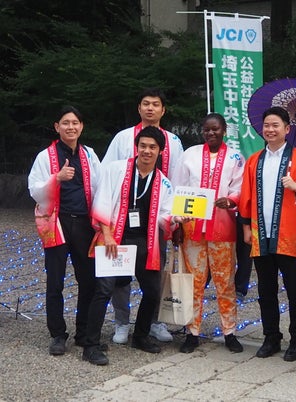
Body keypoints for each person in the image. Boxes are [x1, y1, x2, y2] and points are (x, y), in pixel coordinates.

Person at [82, 126, 182, 365]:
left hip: (144, 241)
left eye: (152, 147)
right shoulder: (116, 170)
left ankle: (140, 335)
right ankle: (90, 345)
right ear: (136, 147)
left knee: (152, 291)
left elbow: (165, 215)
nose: (147, 151)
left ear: (160, 151)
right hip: (115, 238)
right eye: (143, 146)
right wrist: (107, 234)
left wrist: (175, 219)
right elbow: (102, 199)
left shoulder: (164, 183)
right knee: (104, 290)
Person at [101, 88, 184, 344]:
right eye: (145, 104)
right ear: (139, 108)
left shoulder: (173, 141)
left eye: (155, 104)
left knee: (154, 274)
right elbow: (105, 173)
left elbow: (178, 179)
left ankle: (154, 322)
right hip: (122, 221)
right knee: (119, 275)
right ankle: (121, 321)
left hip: (157, 219)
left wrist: (175, 219)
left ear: (163, 110)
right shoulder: (123, 138)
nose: (150, 108)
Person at [239, 106, 296, 362]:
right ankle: (271, 337)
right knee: (266, 289)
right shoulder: (254, 160)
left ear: (287, 129)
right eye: (267, 126)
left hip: (290, 234)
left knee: (294, 289)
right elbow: (246, 196)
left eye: (275, 125)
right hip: (260, 234)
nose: (270, 130)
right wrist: (246, 227)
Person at [28, 106, 101, 355]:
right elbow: (34, 190)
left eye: (75, 122)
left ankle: (83, 332)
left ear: (82, 126)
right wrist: (56, 178)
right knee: (55, 281)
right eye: (66, 123)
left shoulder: (90, 155)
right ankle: (58, 334)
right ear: (57, 127)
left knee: (88, 280)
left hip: (84, 223)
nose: (71, 127)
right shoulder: (45, 156)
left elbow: (100, 186)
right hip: (56, 223)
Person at [173, 113, 245, 354]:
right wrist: (176, 222)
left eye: (215, 129)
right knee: (194, 281)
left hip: (222, 227)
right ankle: (192, 331)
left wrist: (231, 200)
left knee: (225, 281)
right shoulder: (189, 155)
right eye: (207, 129)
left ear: (224, 130)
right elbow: (178, 188)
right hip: (192, 228)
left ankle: (229, 331)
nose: (211, 133)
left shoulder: (235, 157)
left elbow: (239, 188)